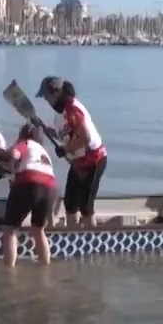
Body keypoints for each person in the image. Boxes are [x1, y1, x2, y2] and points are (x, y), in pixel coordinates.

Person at [37, 76, 107, 227]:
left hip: (94, 159)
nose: (47, 101)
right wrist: (45, 129)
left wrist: (65, 149)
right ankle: (72, 236)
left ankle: (90, 242)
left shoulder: (73, 109)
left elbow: (85, 138)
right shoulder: (60, 114)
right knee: (70, 203)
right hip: (78, 162)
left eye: (47, 97)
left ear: (55, 93)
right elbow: (67, 134)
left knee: (85, 206)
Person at [0, 122, 57, 267]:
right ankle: (45, 267)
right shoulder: (43, 152)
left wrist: (9, 163)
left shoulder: (25, 143)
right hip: (50, 188)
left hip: (29, 182)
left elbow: (14, 154)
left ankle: (9, 271)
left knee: (11, 229)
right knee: (38, 230)